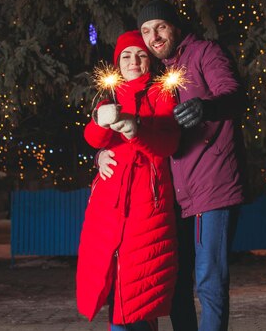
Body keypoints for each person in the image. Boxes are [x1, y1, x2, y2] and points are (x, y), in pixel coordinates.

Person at [100, 0, 248, 331]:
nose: (153, 36)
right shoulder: (159, 76)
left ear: (175, 28)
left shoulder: (204, 53)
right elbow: (135, 133)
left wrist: (205, 107)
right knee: (177, 286)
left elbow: (235, 95)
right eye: (146, 31)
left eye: (160, 27)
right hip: (176, 196)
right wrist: (100, 155)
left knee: (209, 279)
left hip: (213, 186)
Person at [76, 30, 180, 331]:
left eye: (141, 55)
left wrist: (137, 132)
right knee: (109, 279)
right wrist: (99, 124)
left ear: (150, 60)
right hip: (108, 202)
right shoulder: (108, 96)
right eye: (126, 56)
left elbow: (169, 142)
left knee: (140, 284)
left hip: (147, 202)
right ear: (117, 63)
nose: (133, 61)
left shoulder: (162, 93)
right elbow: (92, 138)